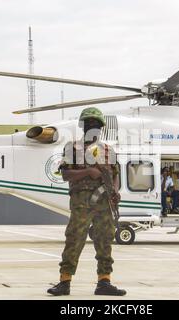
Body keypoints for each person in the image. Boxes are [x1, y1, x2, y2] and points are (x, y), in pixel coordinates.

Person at [47, 107, 126, 297]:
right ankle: (64, 282)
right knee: (75, 239)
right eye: (89, 124)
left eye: (96, 125)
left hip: (104, 202)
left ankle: (104, 282)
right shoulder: (73, 148)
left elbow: (116, 176)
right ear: (83, 127)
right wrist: (88, 172)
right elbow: (65, 174)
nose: (93, 128)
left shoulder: (108, 150)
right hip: (81, 202)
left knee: (105, 240)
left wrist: (115, 191)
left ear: (101, 128)